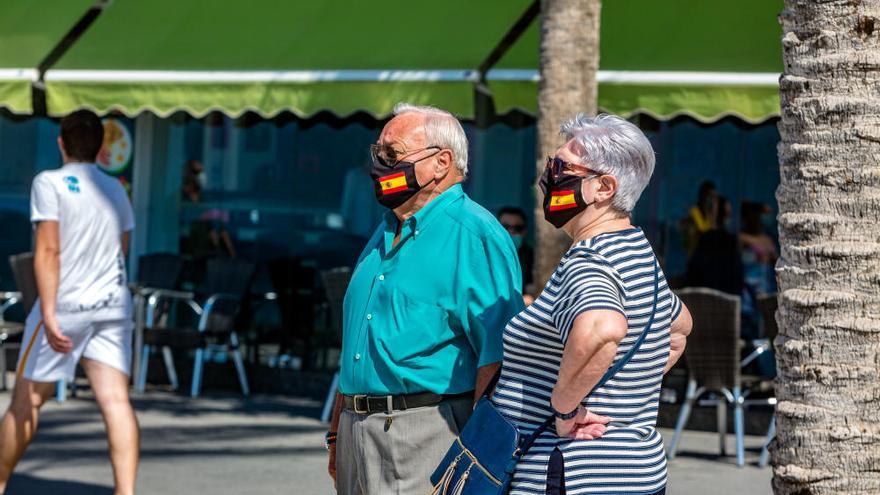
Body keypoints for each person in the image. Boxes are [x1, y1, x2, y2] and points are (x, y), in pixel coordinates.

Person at [326, 103, 523, 494]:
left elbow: (500, 357)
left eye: (392, 155)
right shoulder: (385, 230)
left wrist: (478, 454)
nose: (380, 165)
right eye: (377, 154)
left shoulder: (474, 235)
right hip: (356, 431)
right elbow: (357, 347)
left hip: (425, 433)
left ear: (441, 162)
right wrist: (337, 434)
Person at [491, 114, 693, 495]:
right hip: (638, 469)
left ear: (603, 187)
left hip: (571, 472)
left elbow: (603, 329)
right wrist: (628, 385)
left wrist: (566, 408)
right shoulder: (638, 254)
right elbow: (679, 327)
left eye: (560, 167)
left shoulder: (591, 259)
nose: (548, 177)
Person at [0, 110, 140, 495]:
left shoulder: (50, 182)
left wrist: (47, 312)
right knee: (116, 402)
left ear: (60, 142)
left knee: (25, 402)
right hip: (112, 307)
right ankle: (125, 492)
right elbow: (122, 248)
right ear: (100, 147)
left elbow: (48, 250)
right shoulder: (116, 188)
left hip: (64, 308)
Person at [685, 196, 744, 296]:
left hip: (703, 301)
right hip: (728, 303)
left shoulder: (704, 240)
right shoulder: (729, 241)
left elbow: (693, 274)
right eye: (727, 214)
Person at [497, 206, 537, 304]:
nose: (511, 232)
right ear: (496, 229)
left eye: (518, 228)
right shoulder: (484, 256)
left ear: (525, 231)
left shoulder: (533, 258)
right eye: (505, 227)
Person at [680, 180, 718, 255]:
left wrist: (714, 213)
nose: (712, 200)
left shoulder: (710, 216)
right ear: (703, 195)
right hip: (695, 256)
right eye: (710, 196)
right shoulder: (695, 212)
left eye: (714, 197)